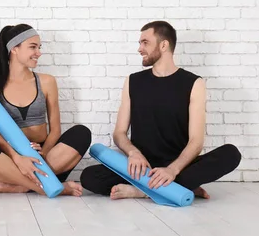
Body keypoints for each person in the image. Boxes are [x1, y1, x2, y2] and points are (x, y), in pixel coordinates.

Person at [80, 21, 242, 200]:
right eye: (140, 43)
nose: (139, 49)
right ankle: (175, 188)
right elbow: (119, 133)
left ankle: (142, 191)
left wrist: (172, 170)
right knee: (89, 177)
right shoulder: (133, 81)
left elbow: (196, 141)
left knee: (231, 154)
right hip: (141, 167)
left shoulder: (194, 83)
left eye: (145, 42)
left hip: (179, 165)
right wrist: (134, 153)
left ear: (164, 45)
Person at [0, 24, 91, 196]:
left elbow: (55, 130)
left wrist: (42, 154)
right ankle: (48, 186)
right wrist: (18, 158)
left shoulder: (47, 82)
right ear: (14, 49)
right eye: (33, 47)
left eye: (39, 47)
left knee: (81, 133)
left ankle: (20, 186)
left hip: (46, 156)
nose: (39, 53)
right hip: (12, 158)